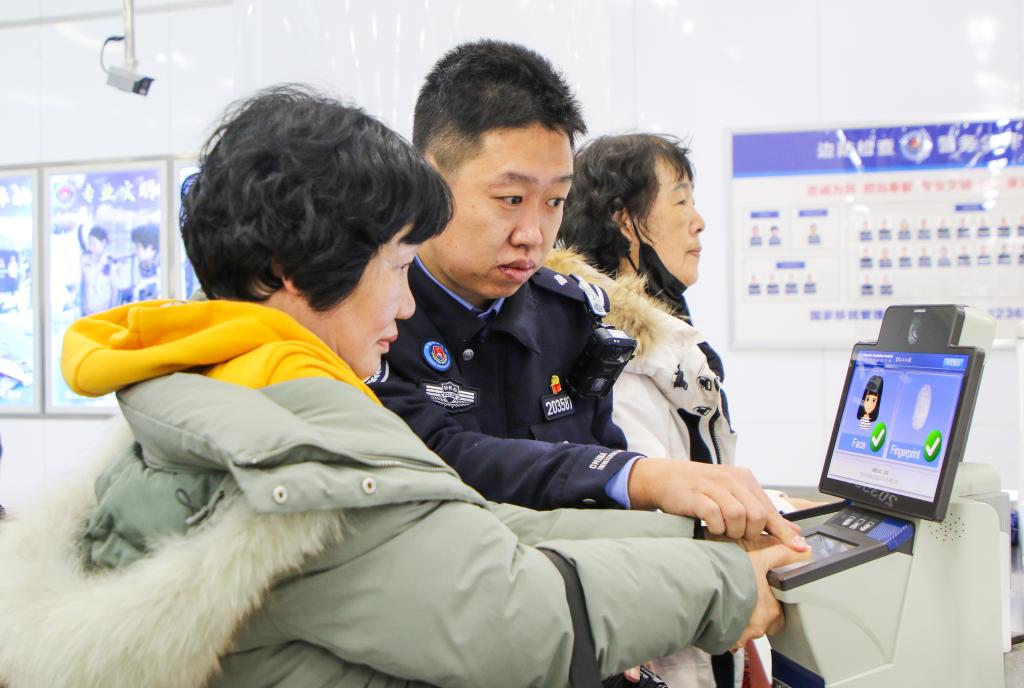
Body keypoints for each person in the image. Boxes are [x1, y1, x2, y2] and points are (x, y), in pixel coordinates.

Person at [0, 86, 807, 687]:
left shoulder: (215, 392)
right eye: (395, 267)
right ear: (291, 270)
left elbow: (469, 528)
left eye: (555, 202)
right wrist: (727, 587)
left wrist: (689, 540)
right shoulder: (297, 451)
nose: (407, 302)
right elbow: (514, 613)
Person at [371, 40, 805, 551]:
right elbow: (439, 457)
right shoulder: (370, 316)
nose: (533, 234)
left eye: (555, 201)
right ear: (428, 180)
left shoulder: (572, 316)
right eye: (511, 199)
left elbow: (604, 509)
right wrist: (633, 474)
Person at [557, 133, 814, 687]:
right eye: (681, 201)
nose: (699, 222)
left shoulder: (658, 345)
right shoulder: (615, 360)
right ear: (625, 222)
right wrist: (777, 512)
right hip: (669, 644)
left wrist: (778, 504)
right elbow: (661, 511)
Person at [79, 225, 116, 315]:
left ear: (103, 242)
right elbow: (82, 286)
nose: (91, 247)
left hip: (105, 315)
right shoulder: (85, 261)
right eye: (90, 244)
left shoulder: (111, 264)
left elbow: (115, 292)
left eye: (94, 244)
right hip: (87, 314)